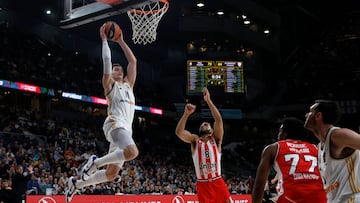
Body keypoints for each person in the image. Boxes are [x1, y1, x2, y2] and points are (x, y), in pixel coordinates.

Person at [65, 22, 139, 203]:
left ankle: (76, 184)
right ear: (111, 74)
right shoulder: (110, 85)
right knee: (132, 152)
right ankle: (95, 162)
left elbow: (133, 61)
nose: (118, 70)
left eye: (119, 69)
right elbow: (107, 62)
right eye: (115, 69)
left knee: (112, 174)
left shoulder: (129, 86)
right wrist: (105, 41)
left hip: (125, 130)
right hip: (115, 124)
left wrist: (121, 41)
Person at [175, 87, 232, 203]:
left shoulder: (216, 140)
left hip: (217, 181)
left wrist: (209, 101)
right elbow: (179, 132)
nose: (204, 124)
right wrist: (186, 114)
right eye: (202, 124)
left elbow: (219, 120)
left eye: (207, 123)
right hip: (203, 184)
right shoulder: (195, 140)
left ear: (211, 130)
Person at [252, 117, 327, 203]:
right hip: (319, 198)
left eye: (280, 131)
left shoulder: (273, 148)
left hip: (291, 197)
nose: (278, 135)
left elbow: (259, 186)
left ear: (285, 134)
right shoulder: (314, 148)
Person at [304, 99, 360, 202]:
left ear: (318, 116)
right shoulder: (320, 146)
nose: (306, 115)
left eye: (310, 112)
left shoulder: (338, 135)